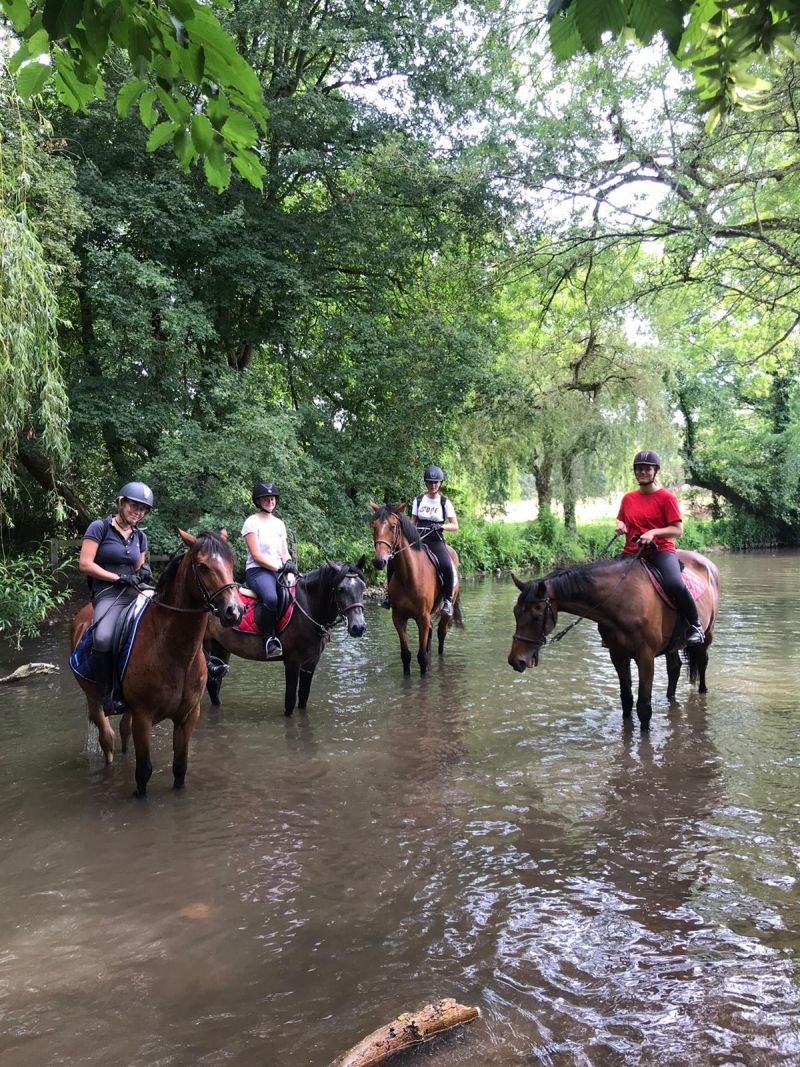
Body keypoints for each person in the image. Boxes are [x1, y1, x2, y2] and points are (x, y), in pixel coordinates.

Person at [615, 450, 705, 645]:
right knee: (611, 582)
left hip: (660, 550)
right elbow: (623, 519)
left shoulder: (666, 498)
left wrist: (653, 532)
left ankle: (695, 625)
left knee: (674, 583)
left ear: (655, 471)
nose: (643, 472)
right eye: (639, 469)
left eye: (647, 469)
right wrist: (621, 525)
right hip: (632, 551)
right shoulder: (628, 499)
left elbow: (677, 530)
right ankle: (614, 630)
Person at [78, 481, 154, 714]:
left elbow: (140, 565)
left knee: (169, 615)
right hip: (107, 591)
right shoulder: (99, 527)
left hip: (134, 589)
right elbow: (85, 564)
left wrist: (145, 571)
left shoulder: (139, 536)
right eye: (134, 506)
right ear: (121, 503)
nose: (138, 512)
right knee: (102, 637)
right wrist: (117, 578)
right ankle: (107, 694)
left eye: (143, 509)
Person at [242, 481, 295, 658]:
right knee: (271, 598)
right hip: (257, 570)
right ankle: (268, 638)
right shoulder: (251, 522)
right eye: (266, 499)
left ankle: (286, 635)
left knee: (292, 595)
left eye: (272, 498)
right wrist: (280, 567)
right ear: (258, 501)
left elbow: (284, 552)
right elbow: (256, 555)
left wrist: (289, 566)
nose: (270, 501)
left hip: (277, 570)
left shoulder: (279, 524)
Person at [413, 464, 459, 616]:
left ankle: (447, 600)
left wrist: (441, 527)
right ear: (426, 483)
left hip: (435, 540)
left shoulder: (445, 502)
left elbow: (455, 525)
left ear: (440, 483)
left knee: (446, 564)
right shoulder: (419, 500)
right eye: (430, 482)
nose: (433, 485)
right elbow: (413, 522)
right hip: (418, 540)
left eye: (436, 482)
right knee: (394, 560)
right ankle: (389, 596)